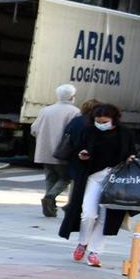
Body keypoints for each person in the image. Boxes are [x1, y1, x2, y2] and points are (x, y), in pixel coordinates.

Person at [59, 102, 134, 268]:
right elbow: (77, 149)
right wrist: (82, 154)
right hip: (92, 176)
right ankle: (83, 242)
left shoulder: (125, 133)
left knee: (105, 216)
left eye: (104, 121)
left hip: (115, 178)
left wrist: (130, 158)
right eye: (98, 121)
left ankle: (94, 252)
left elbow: (131, 151)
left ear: (114, 119)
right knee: (88, 213)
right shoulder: (88, 131)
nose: (100, 124)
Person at [31, 83, 82, 218]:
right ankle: (50, 197)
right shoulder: (74, 112)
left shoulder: (45, 110)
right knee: (66, 177)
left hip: (44, 150)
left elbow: (34, 129)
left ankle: (50, 206)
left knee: (50, 177)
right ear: (72, 96)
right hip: (63, 152)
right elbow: (75, 132)